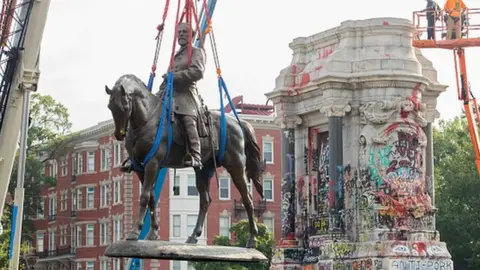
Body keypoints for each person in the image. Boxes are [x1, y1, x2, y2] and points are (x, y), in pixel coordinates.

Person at [156, 22, 205, 168]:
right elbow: (168, 77)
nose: (181, 34)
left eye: (185, 32)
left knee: (187, 119)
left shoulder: (196, 52)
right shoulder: (175, 55)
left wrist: (175, 76)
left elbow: (198, 72)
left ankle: (196, 155)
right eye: (180, 32)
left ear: (193, 35)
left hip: (186, 94)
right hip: (169, 94)